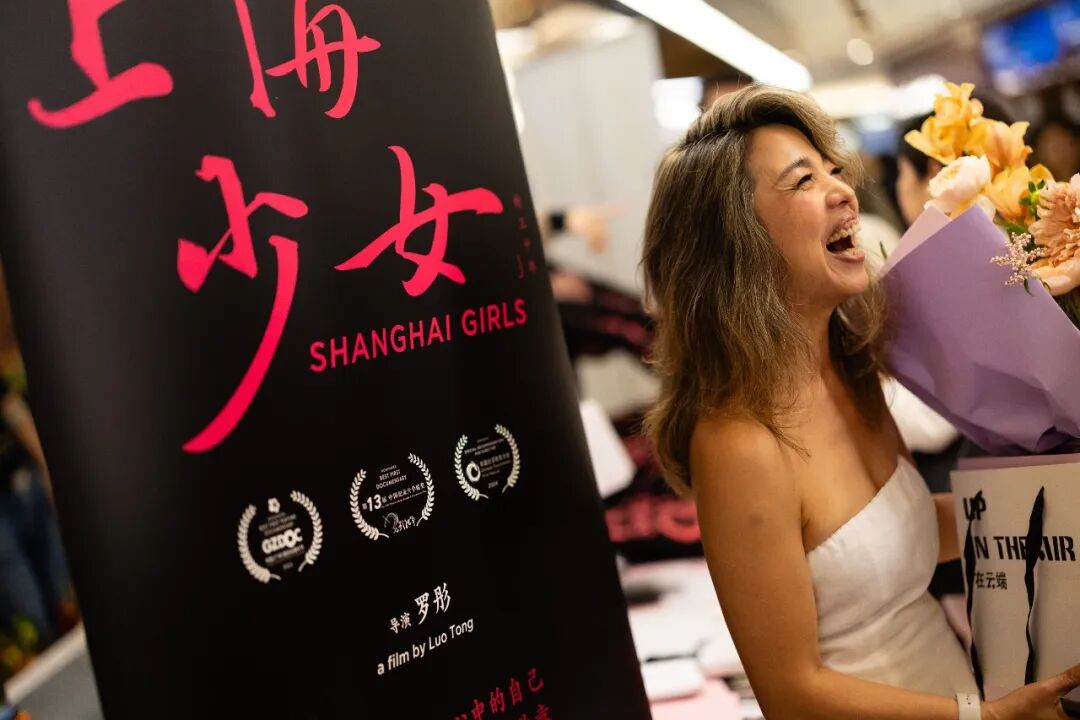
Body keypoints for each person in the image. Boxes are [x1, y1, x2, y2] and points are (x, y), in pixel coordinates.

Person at [641, 84, 1080, 719]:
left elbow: (903, 535)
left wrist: (1060, 498)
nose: (843, 190)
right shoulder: (738, 442)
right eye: (803, 180)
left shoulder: (853, 371)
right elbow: (791, 693)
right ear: (737, 240)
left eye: (833, 169)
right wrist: (980, 717)